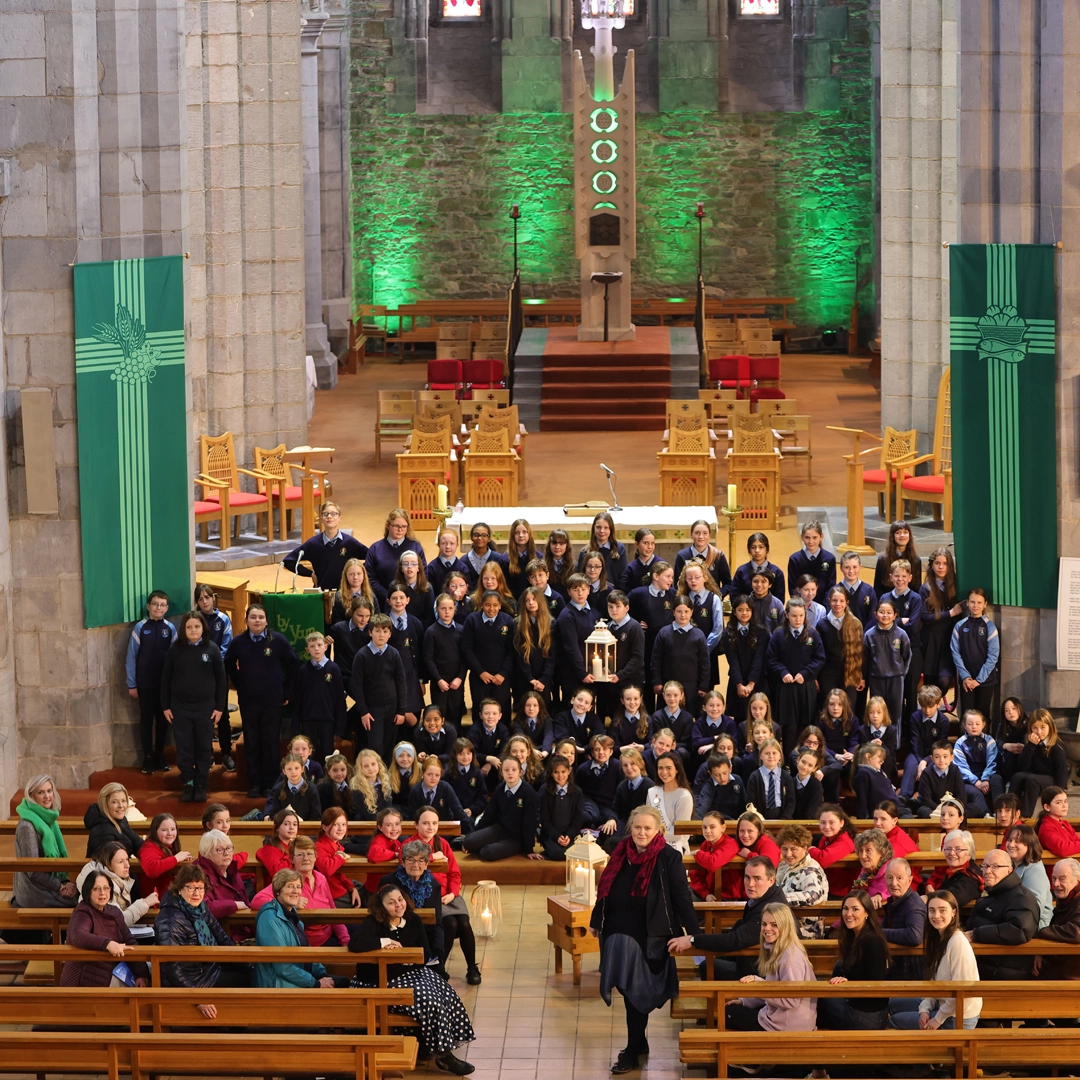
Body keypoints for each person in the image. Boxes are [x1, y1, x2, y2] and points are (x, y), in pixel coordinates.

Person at [586, 806, 698, 1075]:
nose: (642, 832)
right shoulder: (620, 851)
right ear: (630, 828)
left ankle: (632, 1050)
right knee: (626, 988)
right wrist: (596, 918)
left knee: (639, 992)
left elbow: (682, 898)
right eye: (637, 827)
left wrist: (693, 934)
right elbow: (605, 888)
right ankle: (638, 1041)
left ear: (658, 830)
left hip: (650, 935)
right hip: (615, 931)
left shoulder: (668, 857)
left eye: (648, 828)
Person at [350, 884, 476, 1074]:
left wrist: (403, 957)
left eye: (400, 900)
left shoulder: (413, 919)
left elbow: (424, 954)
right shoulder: (374, 922)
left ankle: (426, 1045)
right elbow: (355, 943)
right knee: (429, 1001)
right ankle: (443, 1055)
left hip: (409, 972)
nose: (398, 905)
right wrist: (385, 942)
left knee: (446, 992)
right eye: (391, 903)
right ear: (381, 906)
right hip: (377, 981)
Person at [669, 855, 788, 979]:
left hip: (766, 972)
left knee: (707, 965)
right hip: (758, 960)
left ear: (771, 880)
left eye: (757, 878)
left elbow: (735, 940)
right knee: (738, 925)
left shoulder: (770, 910)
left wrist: (692, 940)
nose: (750, 884)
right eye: (747, 877)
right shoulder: (766, 894)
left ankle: (726, 998)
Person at [224, 604, 298, 798]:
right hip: (248, 700)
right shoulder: (239, 642)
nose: (257, 621)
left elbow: (293, 665)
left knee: (270, 742)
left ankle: (270, 783)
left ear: (266, 621)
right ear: (246, 620)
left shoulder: (278, 641)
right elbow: (229, 663)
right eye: (253, 617)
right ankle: (254, 782)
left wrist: (286, 692)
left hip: (273, 701)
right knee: (252, 742)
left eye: (261, 617)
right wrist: (239, 681)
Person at [160, 609, 228, 802]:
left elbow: (221, 680)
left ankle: (201, 783)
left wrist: (219, 707)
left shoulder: (212, 649)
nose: (193, 630)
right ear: (184, 629)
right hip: (180, 708)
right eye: (189, 627)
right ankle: (188, 782)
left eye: (197, 626)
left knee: (204, 747)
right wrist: (166, 706)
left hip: (206, 708)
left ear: (202, 628)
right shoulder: (175, 650)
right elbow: (165, 679)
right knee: (184, 747)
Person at [888, 890, 981, 1030]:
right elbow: (933, 982)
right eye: (932, 910)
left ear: (953, 912)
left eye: (942, 910)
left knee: (895, 1020)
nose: (936, 916)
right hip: (942, 1003)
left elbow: (962, 992)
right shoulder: (938, 938)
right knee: (893, 1004)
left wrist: (937, 1019)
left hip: (959, 1015)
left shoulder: (957, 942)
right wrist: (924, 1009)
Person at [411, 806, 481, 983]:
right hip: (428, 896)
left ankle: (472, 968)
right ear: (416, 825)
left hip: (448, 894)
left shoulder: (442, 843)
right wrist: (434, 857)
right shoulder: (410, 845)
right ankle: (438, 966)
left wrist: (453, 893)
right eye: (425, 823)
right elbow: (412, 864)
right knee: (450, 923)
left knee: (464, 922)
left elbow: (455, 873)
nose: (430, 827)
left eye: (434, 823)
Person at [155, 863, 248, 996]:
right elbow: (171, 968)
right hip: (193, 982)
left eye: (200, 888)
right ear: (179, 888)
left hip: (208, 969)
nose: (196, 893)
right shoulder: (170, 919)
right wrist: (197, 998)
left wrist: (248, 965)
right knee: (248, 982)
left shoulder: (199, 908)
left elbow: (222, 939)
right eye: (191, 887)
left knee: (254, 973)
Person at [725, 903, 818, 1032]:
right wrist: (744, 1001)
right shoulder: (779, 949)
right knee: (733, 1009)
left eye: (774, 925)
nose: (767, 929)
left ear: (785, 926)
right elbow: (773, 992)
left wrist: (760, 985)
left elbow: (791, 1001)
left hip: (790, 1026)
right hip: (781, 1018)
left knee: (728, 1014)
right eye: (764, 924)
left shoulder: (790, 958)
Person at [814, 889, 890, 1041]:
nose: (849, 914)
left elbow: (876, 984)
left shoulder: (873, 941)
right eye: (845, 908)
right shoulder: (854, 937)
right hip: (856, 1006)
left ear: (867, 912)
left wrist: (849, 983)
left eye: (855, 909)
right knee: (817, 994)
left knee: (815, 997)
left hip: (868, 1016)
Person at [250, 836, 350, 947]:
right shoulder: (287, 879)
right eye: (300, 855)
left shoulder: (321, 878)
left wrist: (345, 939)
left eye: (310, 854)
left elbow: (332, 910)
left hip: (328, 933)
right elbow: (256, 901)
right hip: (306, 942)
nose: (306, 858)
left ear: (316, 857)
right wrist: (287, 902)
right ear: (292, 859)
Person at [61, 871, 150, 987]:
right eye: (96, 889)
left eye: (106, 888)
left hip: (110, 972)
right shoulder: (83, 911)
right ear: (88, 892)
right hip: (83, 979)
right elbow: (78, 935)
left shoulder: (114, 911)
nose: (102, 893)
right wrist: (108, 944)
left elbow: (129, 941)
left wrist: (141, 974)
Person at [252, 869, 338, 988]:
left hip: (298, 977)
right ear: (278, 891)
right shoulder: (269, 919)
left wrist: (322, 974)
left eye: (298, 887)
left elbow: (306, 953)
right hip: (278, 984)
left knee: (341, 983)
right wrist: (315, 983)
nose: (295, 891)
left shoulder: (293, 915)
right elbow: (283, 967)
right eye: (290, 886)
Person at [964, 845, 1038, 981]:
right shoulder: (988, 896)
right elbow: (970, 925)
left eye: (995, 866)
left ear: (1009, 870)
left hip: (1004, 975)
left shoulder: (1021, 897)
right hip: (981, 967)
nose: (987, 871)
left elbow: (1019, 930)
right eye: (985, 866)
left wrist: (976, 934)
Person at [125, 589, 178, 774]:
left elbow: (176, 657)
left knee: (164, 720)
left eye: (162, 605)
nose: (158, 607)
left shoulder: (170, 629)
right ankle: (148, 756)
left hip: (164, 686)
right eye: (155, 604)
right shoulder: (141, 628)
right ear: (148, 606)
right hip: (145, 684)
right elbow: (131, 657)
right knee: (146, 720)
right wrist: (132, 683)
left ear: (167, 608)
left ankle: (160, 755)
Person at [765, 598, 825, 756]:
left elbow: (819, 659)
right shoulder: (779, 634)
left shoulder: (812, 634)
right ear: (786, 615)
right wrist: (783, 672)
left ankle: (805, 758)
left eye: (801, 615)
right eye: (794, 616)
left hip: (806, 687)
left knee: (805, 725)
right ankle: (788, 761)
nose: (797, 619)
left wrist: (805, 674)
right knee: (789, 726)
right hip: (785, 687)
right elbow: (771, 658)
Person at [14, 773, 78, 909]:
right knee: (83, 904)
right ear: (32, 796)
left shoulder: (48, 819)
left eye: (49, 791)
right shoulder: (27, 826)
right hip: (33, 892)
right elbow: (33, 870)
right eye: (41, 792)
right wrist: (60, 886)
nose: (47, 796)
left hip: (47, 885)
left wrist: (65, 882)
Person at [459, 755, 539, 861]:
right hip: (499, 829)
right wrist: (473, 835)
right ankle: (479, 844)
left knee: (487, 853)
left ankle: (488, 847)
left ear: (520, 772)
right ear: (502, 773)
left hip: (516, 838)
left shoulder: (529, 793)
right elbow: (489, 814)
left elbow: (530, 823)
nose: (510, 773)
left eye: (514, 770)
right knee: (469, 841)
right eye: (506, 770)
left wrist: (529, 849)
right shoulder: (500, 788)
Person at [77, 841, 159, 936]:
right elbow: (118, 921)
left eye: (127, 860)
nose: (127, 865)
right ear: (108, 864)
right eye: (121, 862)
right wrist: (145, 903)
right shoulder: (102, 886)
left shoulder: (113, 878)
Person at [949, 588, 999, 718]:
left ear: (985, 604)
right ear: (967, 603)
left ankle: (984, 739)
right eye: (972, 602)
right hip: (966, 680)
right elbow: (955, 652)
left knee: (983, 715)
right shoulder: (959, 626)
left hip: (986, 680)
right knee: (967, 715)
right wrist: (966, 677)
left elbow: (993, 656)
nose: (975, 606)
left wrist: (979, 680)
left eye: (979, 602)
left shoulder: (990, 627)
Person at [1011, 709, 1070, 817]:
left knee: (1032, 780)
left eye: (1043, 727)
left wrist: (1059, 793)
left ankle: (1025, 816)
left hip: (1051, 778)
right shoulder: (1031, 743)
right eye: (1035, 728)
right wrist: (1030, 746)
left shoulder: (1057, 746)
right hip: (1036, 774)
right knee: (1017, 777)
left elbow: (1062, 771)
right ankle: (1010, 810)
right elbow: (1022, 765)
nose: (1039, 731)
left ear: (1050, 727)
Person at [920, 547, 962, 696]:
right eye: (937, 563)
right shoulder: (926, 588)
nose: (941, 567)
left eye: (945, 563)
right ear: (932, 565)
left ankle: (934, 709)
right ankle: (930, 713)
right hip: (931, 640)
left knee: (944, 682)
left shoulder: (955, 586)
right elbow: (926, 618)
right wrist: (951, 613)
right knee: (930, 683)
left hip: (948, 639)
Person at [775, 824, 827, 939]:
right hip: (785, 925)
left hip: (805, 932)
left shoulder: (810, 870)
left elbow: (813, 895)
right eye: (784, 849)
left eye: (793, 849)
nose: (788, 854)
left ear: (805, 848)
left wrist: (778, 899)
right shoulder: (784, 866)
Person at [196, 829, 251, 939]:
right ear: (207, 854)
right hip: (218, 936)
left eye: (229, 848)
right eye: (220, 850)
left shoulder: (231, 870)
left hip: (241, 930)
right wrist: (234, 905)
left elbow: (246, 903)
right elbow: (203, 907)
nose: (226, 853)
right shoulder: (198, 875)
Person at [880, 858, 927, 979]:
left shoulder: (913, 905)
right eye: (890, 878)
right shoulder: (893, 902)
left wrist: (878, 932)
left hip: (911, 973)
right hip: (897, 968)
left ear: (909, 880)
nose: (893, 883)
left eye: (899, 878)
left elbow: (914, 936)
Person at [1036, 859, 1080, 983]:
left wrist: (1042, 932)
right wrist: (1040, 952)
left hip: (1070, 977)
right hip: (1057, 969)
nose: (1056, 884)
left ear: (1077, 880)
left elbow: (1076, 932)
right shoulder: (1067, 900)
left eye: (1062, 879)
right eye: (1054, 878)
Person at [952, 709, 1002, 816]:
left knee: (997, 780)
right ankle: (986, 814)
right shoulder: (960, 743)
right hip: (968, 779)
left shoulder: (989, 740)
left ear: (983, 725)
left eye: (977, 724)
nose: (974, 727)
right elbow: (961, 766)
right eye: (970, 724)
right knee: (976, 793)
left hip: (987, 774)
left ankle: (1000, 811)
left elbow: (992, 761)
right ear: (964, 726)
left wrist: (985, 779)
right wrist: (975, 781)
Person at [1005, 823, 1054, 929]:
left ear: (1029, 845)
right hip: (1014, 920)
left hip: (1033, 927)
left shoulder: (1035, 871)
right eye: (1009, 840)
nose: (1011, 845)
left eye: (1017, 841)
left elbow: (1033, 909)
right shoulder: (1012, 866)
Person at [365, 508, 426, 591]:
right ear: (388, 525)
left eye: (404, 526)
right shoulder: (375, 549)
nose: (400, 530)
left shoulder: (415, 547)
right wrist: (388, 596)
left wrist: (406, 596)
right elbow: (370, 578)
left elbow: (423, 573)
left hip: (411, 598)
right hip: (383, 599)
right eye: (396, 526)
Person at [138, 812, 194, 899]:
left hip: (170, 895)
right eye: (164, 830)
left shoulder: (169, 846)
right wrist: (176, 859)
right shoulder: (149, 848)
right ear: (155, 831)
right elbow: (151, 869)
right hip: (157, 900)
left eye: (172, 829)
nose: (170, 833)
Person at [646, 751, 694, 854]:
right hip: (652, 844)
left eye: (668, 768)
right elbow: (647, 821)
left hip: (676, 848)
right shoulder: (652, 792)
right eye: (660, 768)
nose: (664, 772)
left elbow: (679, 833)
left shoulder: (684, 796)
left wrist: (652, 835)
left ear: (677, 769)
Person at [315, 807, 362, 908]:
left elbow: (341, 875)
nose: (341, 829)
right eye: (335, 824)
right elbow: (326, 869)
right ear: (324, 827)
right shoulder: (320, 847)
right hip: (332, 894)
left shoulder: (336, 844)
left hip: (340, 887)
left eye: (343, 824)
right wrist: (340, 856)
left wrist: (351, 887)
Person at [923, 829, 982, 907]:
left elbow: (953, 897)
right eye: (948, 849)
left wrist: (927, 897)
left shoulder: (970, 878)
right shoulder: (954, 870)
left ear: (969, 854)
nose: (952, 853)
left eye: (958, 849)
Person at [83, 782, 142, 857]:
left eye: (123, 801)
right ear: (105, 804)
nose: (121, 806)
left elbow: (137, 843)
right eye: (114, 802)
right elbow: (111, 862)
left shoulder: (121, 820)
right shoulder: (102, 830)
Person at [745, 737, 795, 819]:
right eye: (767, 753)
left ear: (780, 756)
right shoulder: (755, 777)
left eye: (774, 753)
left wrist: (784, 819)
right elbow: (751, 802)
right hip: (760, 818)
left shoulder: (786, 776)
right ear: (761, 756)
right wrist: (760, 819)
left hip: (783, 818)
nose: (771, 756)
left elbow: (791, 802)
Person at [732, 532, 786, 601]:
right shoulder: (741, 571)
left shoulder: (777, 572)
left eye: (761, 547)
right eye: (753, 547)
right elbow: (735, 597)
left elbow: (780, 598)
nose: (757, 550)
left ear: (767, 549)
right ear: (749, 550)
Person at [873, 521, 922, 596]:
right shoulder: (883, 559)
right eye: (898, 532)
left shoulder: (916, 560)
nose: (902, 535)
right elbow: (877, 589)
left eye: (905, 532)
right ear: (892, 536)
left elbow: (916, 587)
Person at [851, 828, 895, 907]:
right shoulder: (865, 871)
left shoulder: (891, 871)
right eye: (861, 851)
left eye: (868, 850)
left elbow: (896, 895)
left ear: (881, 852)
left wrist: (880, 896)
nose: (863, 856)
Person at [1036, 785, 1080, 858]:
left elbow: (1077, 840)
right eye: (1058, 803)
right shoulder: (1046, 828)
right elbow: (1063, 849)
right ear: (1047, 807)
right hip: (1056, 867)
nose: (1064, 805)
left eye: (1066, 801)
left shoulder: (1065, 824)